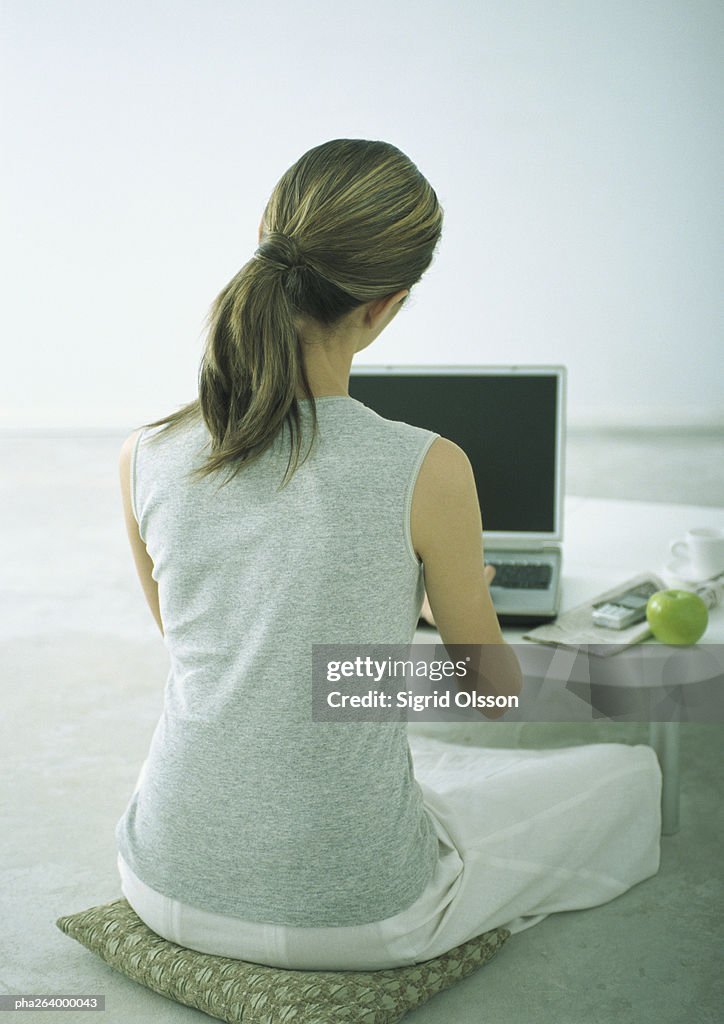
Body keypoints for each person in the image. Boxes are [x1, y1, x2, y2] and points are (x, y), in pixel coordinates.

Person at [115, 138, 662, 971]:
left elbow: (206, 651)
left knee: (381, 741)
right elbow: (490, 696)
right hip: (358, 921)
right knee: (623, 778)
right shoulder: (429, 468)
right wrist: (440, 610)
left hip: (157, 881)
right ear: (387, 305)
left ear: (267, 233)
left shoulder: (144, 454)